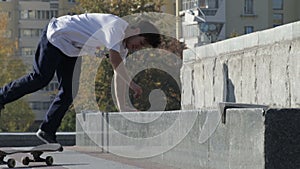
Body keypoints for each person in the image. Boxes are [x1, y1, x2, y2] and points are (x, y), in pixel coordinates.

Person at [0, 13, 161, 144]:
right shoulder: (116, 26)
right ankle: (2, 96)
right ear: (136, 30)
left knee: (70, 91)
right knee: (40, 78)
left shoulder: (122, 49)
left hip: (71, 50)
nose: (138, 48)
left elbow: (118, 74)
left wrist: (122, 106)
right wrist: (133, 84)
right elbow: (114, 60)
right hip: (57, 35)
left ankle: (47, 131)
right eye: (140, 43)